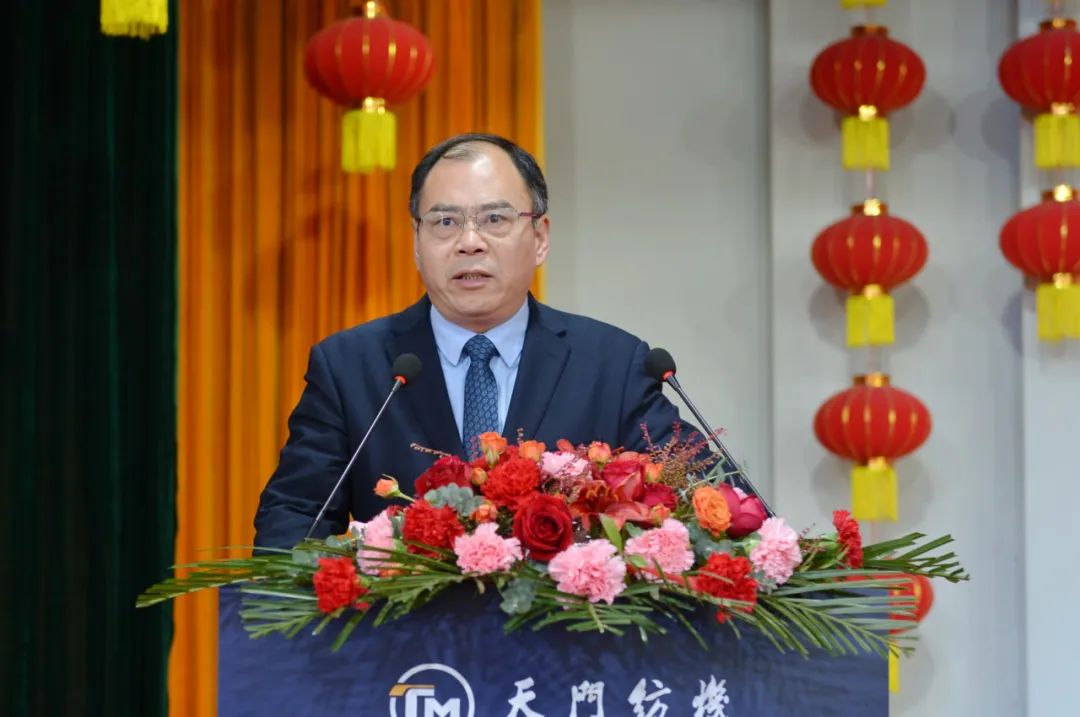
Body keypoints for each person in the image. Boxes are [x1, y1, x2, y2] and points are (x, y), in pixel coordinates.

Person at [253, 133, 704, 549]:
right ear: (416, 241)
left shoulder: (613, 364)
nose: (469, 242)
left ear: (540, 237)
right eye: (445, 221)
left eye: (494, 219)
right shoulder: (351, 367)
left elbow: (704, 497)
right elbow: (293, 518)